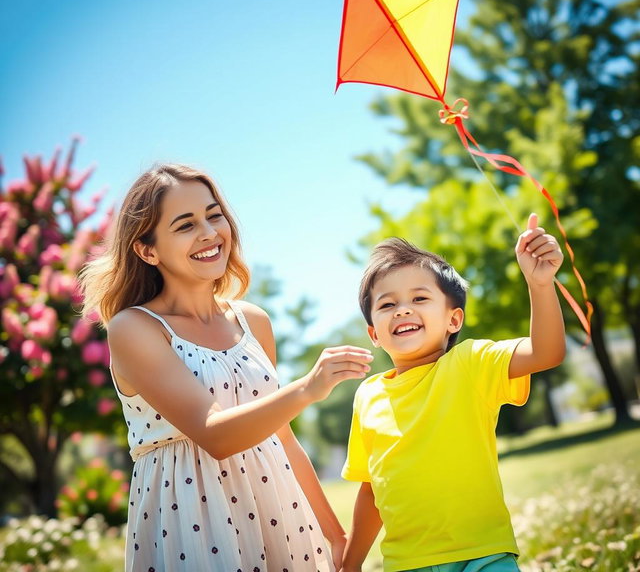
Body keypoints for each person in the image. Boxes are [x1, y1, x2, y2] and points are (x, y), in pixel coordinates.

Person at [80, 163, 373, 572]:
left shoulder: (254, 321)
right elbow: (214, 435)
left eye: (213, 215)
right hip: (191, 523)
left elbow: (283, 440)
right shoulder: (135, 328)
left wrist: (336, 537)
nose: (208, 233)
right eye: (185, 225)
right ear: (148, 251)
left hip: (280, 515)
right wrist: (307, 387)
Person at [339, 214, 566, 572]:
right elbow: (371, 491)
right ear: (373, 334)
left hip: (485, 554)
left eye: (419, 297)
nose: (403, 309)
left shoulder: (471, 362)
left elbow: (547, 351)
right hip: (406, 563)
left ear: (453, 320)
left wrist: (540, 285)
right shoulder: (367, 396)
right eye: (387, 304)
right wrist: (349, 565)